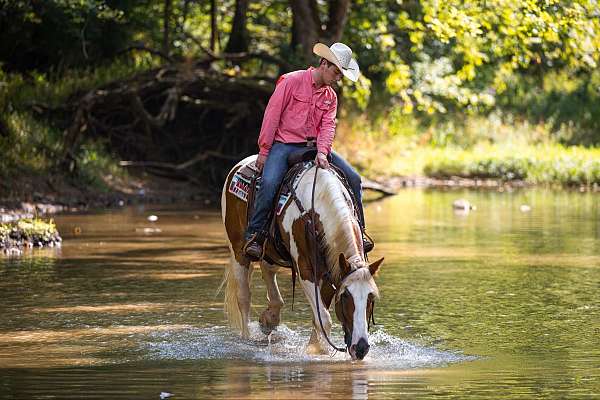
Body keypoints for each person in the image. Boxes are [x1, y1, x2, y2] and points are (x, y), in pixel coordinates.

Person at [243, 42, 374, 260]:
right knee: (269, 182)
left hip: (314, 147)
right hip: (285, 144)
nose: (337, 78)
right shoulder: (291, 81)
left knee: (354, 178)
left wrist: (323, 152)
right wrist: (264, 150)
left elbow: (328, 127)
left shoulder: (330, 97)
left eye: (341, 75)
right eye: (336, 72)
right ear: (324, 63)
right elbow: (272, 115)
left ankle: (358, 231)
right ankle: (256, 234)